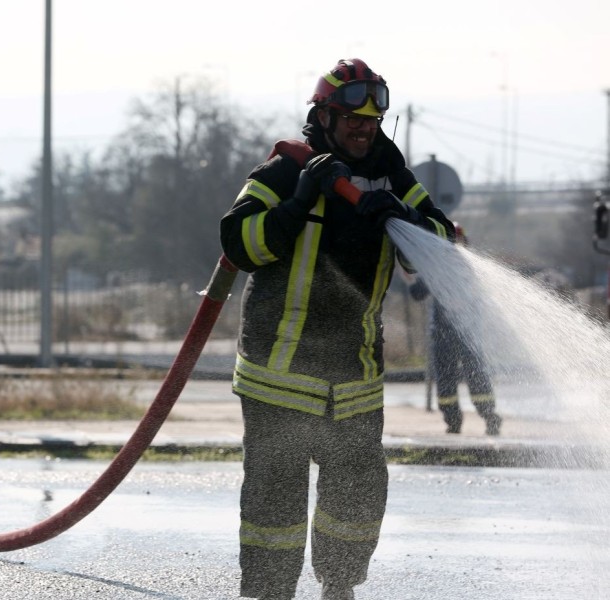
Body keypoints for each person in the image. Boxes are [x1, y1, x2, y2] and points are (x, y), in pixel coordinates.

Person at [219, 58, 454, 599]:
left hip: (355, 376)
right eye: (351, 117)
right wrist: (300, 201)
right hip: (280, 373)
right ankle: (268, 592)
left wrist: (404, 217)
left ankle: (339, 587)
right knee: (275, 497)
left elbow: (443, 245)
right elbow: (239, 244)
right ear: (324, 116)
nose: (363, 127)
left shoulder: (393, 176)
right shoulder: (282, 173)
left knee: (359, 492)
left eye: (372, 119)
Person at [409, 223, 503, 436]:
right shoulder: (438, 267)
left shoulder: (459, 266)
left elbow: (417, 292)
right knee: (449, 381)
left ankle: (487, 418)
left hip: (464, 334)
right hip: (448, 335)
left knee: (475, 377)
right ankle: (455, 422)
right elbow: (417, 292)